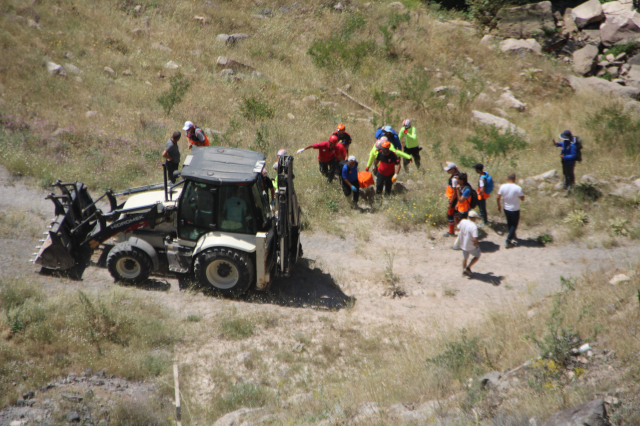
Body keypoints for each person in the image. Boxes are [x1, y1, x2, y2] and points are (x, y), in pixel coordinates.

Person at [497, 172, 525, 248]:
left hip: (506, 208)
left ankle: (512, 234)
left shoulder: (503, 186)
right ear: (515, 178)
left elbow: (498, 197)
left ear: (507, 178)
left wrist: (499, 206)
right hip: (515, 209)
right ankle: (508, 239)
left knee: (509, 223)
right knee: (514, 224)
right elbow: (522, 198)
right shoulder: (518, 188)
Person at [553, 130, 578, 195]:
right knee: (565, 174)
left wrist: (564, 157)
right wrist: (557, 144)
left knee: (570, 176)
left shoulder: (572, 145)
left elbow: (573, 155)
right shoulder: (566, 142)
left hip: (570, 163)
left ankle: (571, 189)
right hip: (565, 163)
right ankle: (566, 186)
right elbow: (563, 144)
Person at [452, 173, 473, 250]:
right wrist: (457, 204)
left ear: (461, 180)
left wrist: (457, 190)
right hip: (461, 209)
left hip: (464, 210)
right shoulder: (462, 187)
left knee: (461, 228)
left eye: (458, 179)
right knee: (461, 227)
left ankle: (460, 244)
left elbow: (461, 200)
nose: (456, 180)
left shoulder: (467, 189)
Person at [458, 210, 481, 277]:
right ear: (474, 218)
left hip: (463, 244)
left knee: (465, 258)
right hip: (470, 245)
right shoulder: (473, 227)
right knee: (477, 255)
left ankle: (464, 270)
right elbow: (475, 238)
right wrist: (476, 244)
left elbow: (457, 228)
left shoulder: (463, 221)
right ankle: (468, 268)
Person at [444, 162, 460, 237]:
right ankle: (459, 228)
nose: (447, 171)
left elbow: (454, 192)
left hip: (453, 199)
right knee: (456, 213)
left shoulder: (454, 179)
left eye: (449, 170)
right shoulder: (458, 174)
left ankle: (451, 232)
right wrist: (449, 162)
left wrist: (450, 203)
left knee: (450, 215)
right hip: (457, 199)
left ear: (453, 169)